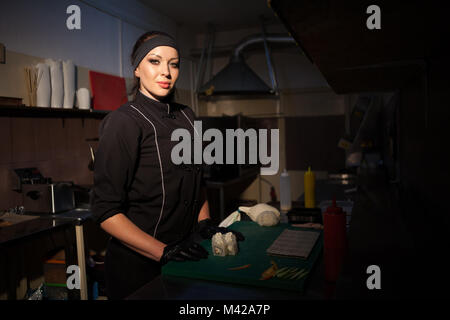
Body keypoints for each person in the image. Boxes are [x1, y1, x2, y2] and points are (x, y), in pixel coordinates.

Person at [90, 31, 244, 300]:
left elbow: (198, 181)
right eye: (155, 61)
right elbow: (105, 211)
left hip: (185, 256)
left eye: (173, 64)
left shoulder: (187, 115)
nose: (166, 72)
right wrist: (163, 251)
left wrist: (204, 222)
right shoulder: (123, 122)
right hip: (136, 269)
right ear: (137, 68)